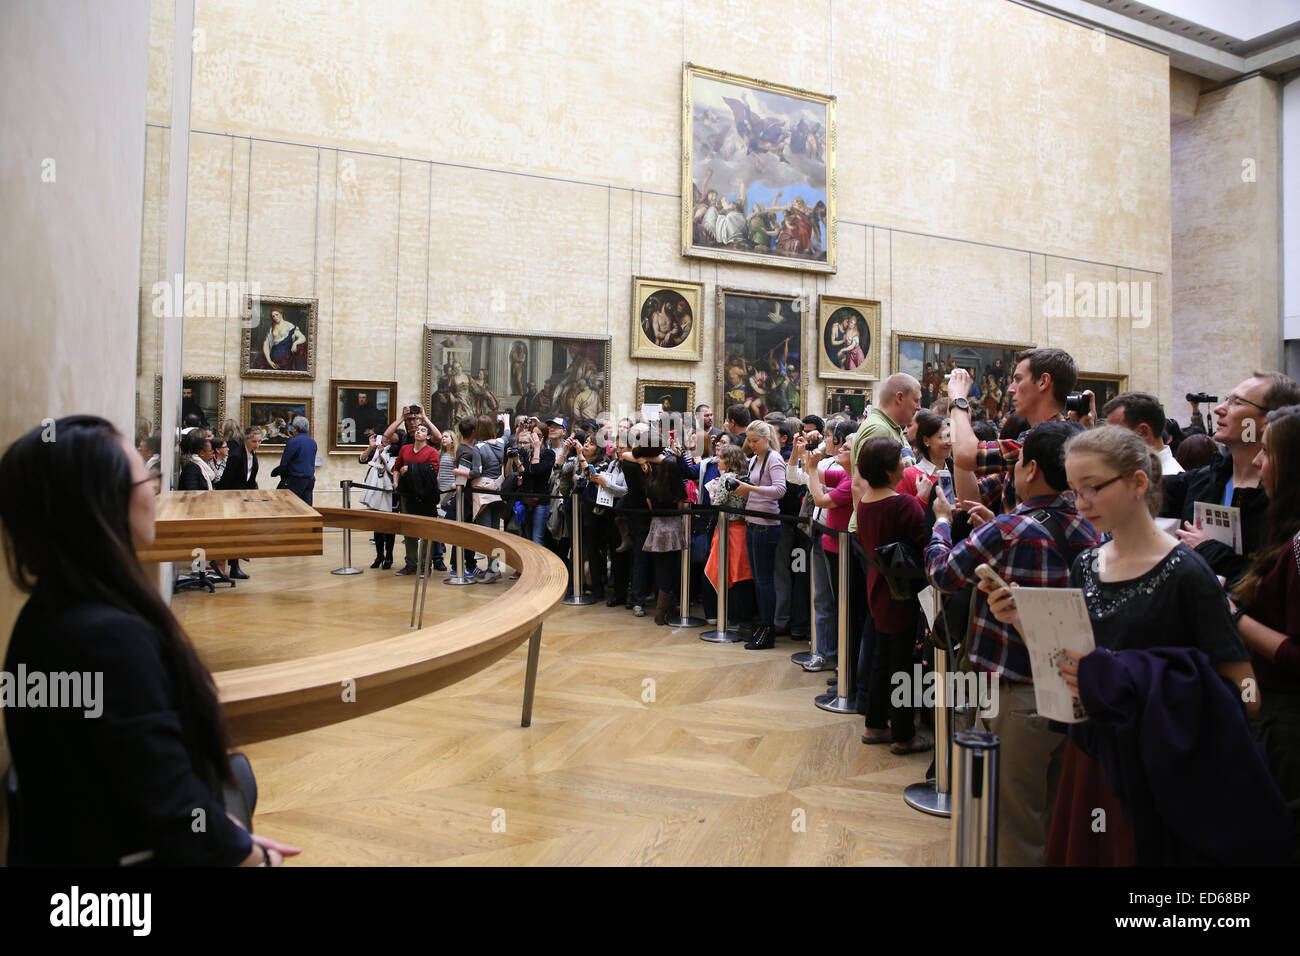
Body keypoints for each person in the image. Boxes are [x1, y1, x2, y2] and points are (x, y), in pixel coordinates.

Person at [0, 416, 300, 866]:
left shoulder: (53, 610)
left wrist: (224, 830)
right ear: (102, 503)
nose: (155, 490)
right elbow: (167, 803)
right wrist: (249, 853)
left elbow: (136, 769)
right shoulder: (105, 638)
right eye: (145, 476)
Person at [982, 425, 1262, 866]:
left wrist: (1127, 679)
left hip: (1157, 766)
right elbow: (1081, 655)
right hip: (1092, 756)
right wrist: (1022, 619)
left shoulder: (1188, 574)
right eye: (1075, 491)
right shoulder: (1088, 563)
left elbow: (1244, 691)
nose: (1082, 503)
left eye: (1093, 488)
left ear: (1137, 482)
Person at [926, 420, 1102, 865]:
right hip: (1078, 687)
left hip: (1016, 693)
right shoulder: (1091, 526)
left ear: (1033, 469)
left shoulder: (1010, 527)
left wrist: (942, 525)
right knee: (1056, 818)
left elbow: (944, 574)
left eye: (1018, 462)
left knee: (1012, 825)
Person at [1229, 404, 1300, 858]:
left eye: (1268, 452)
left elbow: (1297, 654)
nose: (1257, 461)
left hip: (1289, 726)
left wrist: (1231, 616)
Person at [1163, 372, 1300, 584]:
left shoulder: (1287, 500)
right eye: (1227, 399)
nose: (1219, 409)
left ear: (1269, 419)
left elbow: (1279, 588)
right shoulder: (1203, 480)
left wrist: (1211, 552)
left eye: (1237, 403)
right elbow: (1133, 490)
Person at [855, 437, 929, 754]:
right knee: (903, 664)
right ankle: (902, 733)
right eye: (899, 459)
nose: (904, 463)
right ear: (888, 469)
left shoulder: (866, 500)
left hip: (879, 590)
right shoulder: (903, 503)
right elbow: (924, 541)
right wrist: (923, 500)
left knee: (882, 660)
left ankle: (875, 724)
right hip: (900, 595)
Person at [949, 347, 1075, 515]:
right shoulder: (1027, 439)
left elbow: (965, 454)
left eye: (1018, 379)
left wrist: (958, 401)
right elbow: (971, 498)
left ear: (1043, 382)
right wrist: (956, 418)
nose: (1010, 389)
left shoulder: (1058, 439)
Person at [802, 422, 857, 673]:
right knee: (825, 599)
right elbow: (812, 474)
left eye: (845, 446)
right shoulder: (845, 474)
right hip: (829, 543)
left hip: (844, 548)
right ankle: (831, 655)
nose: (838, 447)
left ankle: (843, 663)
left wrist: (813, 467)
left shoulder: (853, 480)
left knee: (844, 605)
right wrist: (807, 455)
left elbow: (821, 498)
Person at [732, 421, 787, 649]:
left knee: (764, 582)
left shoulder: (774, 458)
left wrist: (751, 489)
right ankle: (762, 625)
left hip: (766, 525)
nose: (751, 445)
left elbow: (780, 490)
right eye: (749, 441)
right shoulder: (756, 459)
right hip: (753, 522)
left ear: (767, 439)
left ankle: (768, 628)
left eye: (755, 441)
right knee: (758, 580)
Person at [214, 422, 261, 579]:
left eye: (259, 441)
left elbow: (250, 479)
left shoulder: (252, 455)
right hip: (231, 499)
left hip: (243, 499)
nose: (257, 444)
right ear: (246, 440)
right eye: (254, 441)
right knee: (232, 533)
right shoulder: (236, 455)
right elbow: (227, 480)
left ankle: (235, 567)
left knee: (239, 534)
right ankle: (225, 564)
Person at [896, 410, 955, 531]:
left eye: (950, 437)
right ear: (926, 440)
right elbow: (901, 520)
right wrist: (921, 499)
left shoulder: (955, 475)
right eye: (942, 437)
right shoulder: (909, 475)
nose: (949, 443)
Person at [393, 423, 439, 576]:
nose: (419, 432)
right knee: (409, 530)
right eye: (417, 430)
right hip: (407, 494)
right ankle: (411, 564)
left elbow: (432, 472)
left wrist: (410, 467)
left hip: (425, 496)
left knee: (426, 531)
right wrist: (395, 481)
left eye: (423, 430)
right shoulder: (405, 449)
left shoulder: (432, 452)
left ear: (427, 436)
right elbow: (397, 466)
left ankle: (425, 565)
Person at [1102, 390, 1183, 476]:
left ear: (1143, 432)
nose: (1108, 441)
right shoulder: (1135, 469)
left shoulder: (1169, 480)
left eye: (1114, 433)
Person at [359, 431, 399, 569]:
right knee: (376, 524)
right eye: (384, 437)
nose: (386, 440)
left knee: (389, 525)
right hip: (374, 487)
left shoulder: (395, 451)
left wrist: (382, 454)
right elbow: (362, 459)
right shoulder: (375, 449)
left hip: (388, 491)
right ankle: (379, 555)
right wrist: (371, 447)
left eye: (389, 438)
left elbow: (392, 469)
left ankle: (389, 556)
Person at [270, 416, 317, 505]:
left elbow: (284, 463)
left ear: (295, 429)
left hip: (296, 479)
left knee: (288, 506)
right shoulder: (312, 442)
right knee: (306, 508)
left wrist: (282, 477)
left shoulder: (293, 442)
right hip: (310, 479)